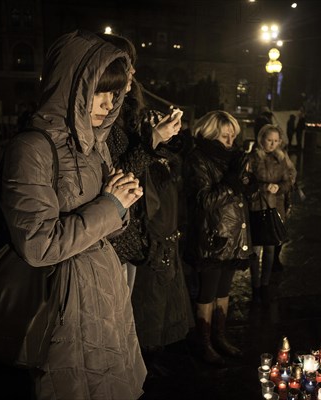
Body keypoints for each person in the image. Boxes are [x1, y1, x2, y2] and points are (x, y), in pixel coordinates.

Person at [0, 30, 146, 399]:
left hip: (105, 298)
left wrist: (122, 203)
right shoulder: (31, 148)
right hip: (59, 306)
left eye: (115, 92)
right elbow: (37, 245)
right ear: (72, 83)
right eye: (100, 89)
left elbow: (109, 224)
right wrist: (110, 206)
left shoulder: (94, 146)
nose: (108, 102)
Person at [100, 33, 194, 366]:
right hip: (110, 232)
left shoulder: (129, 108)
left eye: (132, 66)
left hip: (135, 224)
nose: (132, 74)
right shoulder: (101, 117)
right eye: (126, 65)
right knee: (108, 317)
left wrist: (164, 135)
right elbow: (118, 175)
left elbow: (145, 160)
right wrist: (152, 140)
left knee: (125, 310)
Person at [183, 110, 257, 365]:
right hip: (212, 237)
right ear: (211, 133)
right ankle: (204, 343)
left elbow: (241, 192)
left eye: (233, 136)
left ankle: (220, 336)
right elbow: (204, 201)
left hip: (234, 236)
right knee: (207, 292)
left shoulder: (232, 157)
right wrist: (234, 180)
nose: (230, 141)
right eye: (225, 136)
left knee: (224, 291)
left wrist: (249, 182)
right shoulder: (198, 158)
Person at [247, 124, 296, 303]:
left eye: (276, 141)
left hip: (276, 207)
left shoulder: (282, 158)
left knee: (270, 249)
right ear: (261, 139)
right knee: (255, 249)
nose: (272, 144)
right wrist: (262, 187)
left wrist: (280, 187)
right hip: (257, 206)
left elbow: (289, 180)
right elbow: (246, 182)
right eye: (269, 140)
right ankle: (255, 285)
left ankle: (265, 284)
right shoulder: (252, 158)